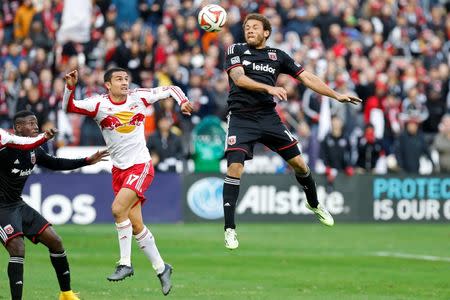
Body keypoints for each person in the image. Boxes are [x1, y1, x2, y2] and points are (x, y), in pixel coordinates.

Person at [222, 13, 362, 250]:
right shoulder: (235, 50)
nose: (250, 30)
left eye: (255, 27)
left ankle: (314, 204)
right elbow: (240, 79)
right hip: (241, 118)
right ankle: (230, 229)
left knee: (300, 164)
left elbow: (306, 77)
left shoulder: (278, 56)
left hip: (268, 118)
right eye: (247, 27)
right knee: (235, 167)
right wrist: (270, 88)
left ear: (267, 32)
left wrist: (336, 94)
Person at [63, 68, 193, 295]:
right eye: (118, 79)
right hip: (119, 170)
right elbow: (69, 107)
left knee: (117, 209)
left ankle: (125, 263)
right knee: (135, 224)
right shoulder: (98, 104)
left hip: (141, 165)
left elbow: (172, 88)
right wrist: (70, 88)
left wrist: (183, 102)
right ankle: (162, 268)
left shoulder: (139, 96)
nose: (124, 83)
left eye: (126, 79)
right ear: (107, 85)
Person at [0, 110, 108, 300]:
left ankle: (66, 293)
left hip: (17, 204)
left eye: (36, 124)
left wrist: (87, 161)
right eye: (30, 124)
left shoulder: (34, 150)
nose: (35, 127)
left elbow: (55, 163)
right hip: (1, 208)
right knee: (17, 248)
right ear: (18, 127)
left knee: (55, 241)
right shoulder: (5, 148)